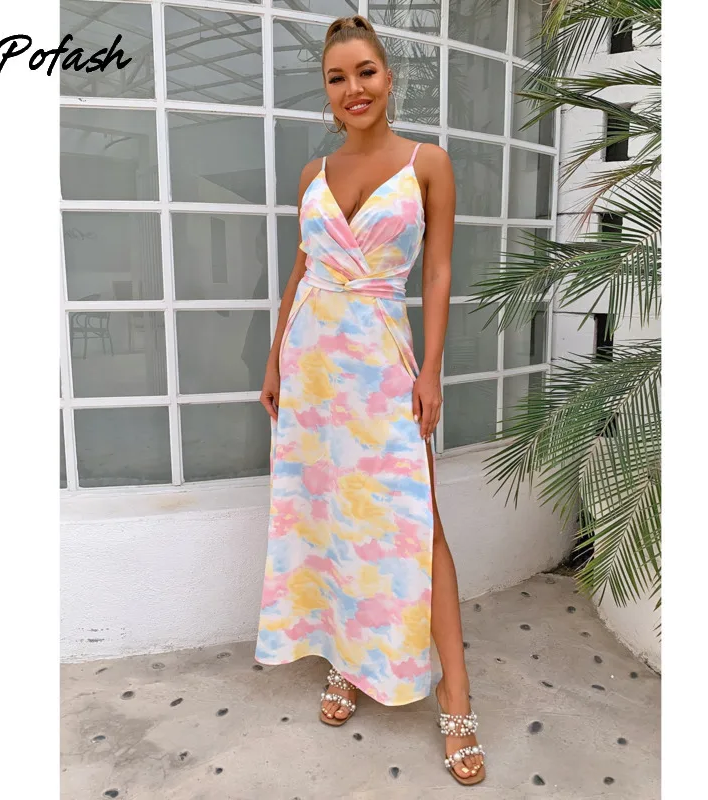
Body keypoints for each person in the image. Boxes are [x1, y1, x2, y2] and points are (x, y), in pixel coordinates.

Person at [255, 14, 485, 786]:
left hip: (383, 365)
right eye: (337, 77)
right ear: (326, 91)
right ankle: (347, 660)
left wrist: (431, 371)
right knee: (331, 515)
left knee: (419, 524)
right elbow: (301, 270)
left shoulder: (428, 163)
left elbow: (439, 273)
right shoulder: (312, 174)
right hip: (313, 366)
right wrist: (275, 358)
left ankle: (456, 698)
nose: (353, 88)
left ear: (389, 77)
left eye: (365, 72)